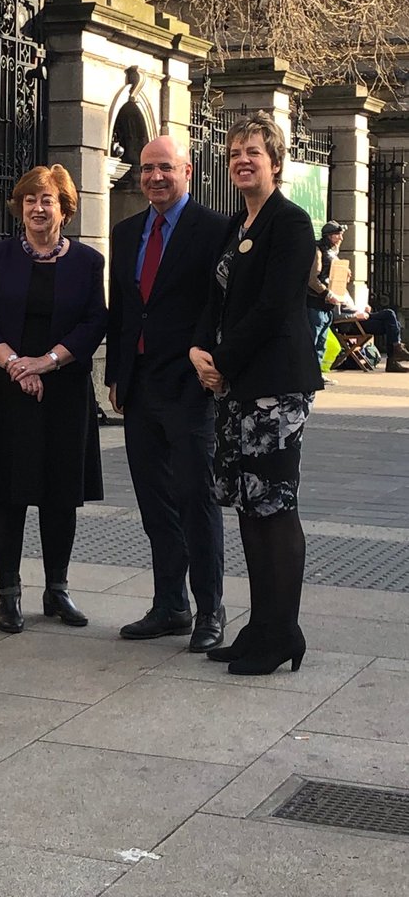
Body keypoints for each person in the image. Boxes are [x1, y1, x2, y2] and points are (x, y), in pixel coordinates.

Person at [190, 111, 322, 676]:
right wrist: (200, 351)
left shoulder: (290, 224)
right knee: (247, 503)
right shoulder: (237, 225)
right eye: (236, 150)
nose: (243, 159)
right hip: (236, 387)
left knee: (275, 506)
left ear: (275, 162)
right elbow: (214, 301)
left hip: (274, 389)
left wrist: (222, 361)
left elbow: (272, 309)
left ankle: (282, 632)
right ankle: (260, 624)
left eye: (255, 152)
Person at [0, 165, 106, 633]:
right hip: (4, 389)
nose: (38, 208)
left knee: (61, 495)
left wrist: (46, 363)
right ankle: (8, 592)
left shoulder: (87, 262)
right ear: (19, 208)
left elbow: (93, 324)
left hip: (63, 391)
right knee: (8, 493)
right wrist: (19, 364)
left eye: (48, 200)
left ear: (66, 209)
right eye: (30, 201)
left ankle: (57, 589)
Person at [105, 136, 229, 652]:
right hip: (138, 385)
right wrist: (115, 372)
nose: (155, 177)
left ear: (188, 171)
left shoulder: (216, 229)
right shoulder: (126, 230)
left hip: (189, 385)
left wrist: (211, 363)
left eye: (165, 168)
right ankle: (169, 604)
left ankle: (209, 610)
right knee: (154, 501)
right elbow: (124, 308)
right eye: (147, 168)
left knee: (196, 499)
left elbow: (220, 305)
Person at [306, 221, 344, 375]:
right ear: (329, 236)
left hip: (326, 305)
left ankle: (317, 373)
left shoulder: (332, 252)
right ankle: (309, 374)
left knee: (321, 342)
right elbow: (313, 279)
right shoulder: (319, 251)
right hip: (316, 302)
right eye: (337, 235)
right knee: (313, 341)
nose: (341, 238)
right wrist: (326, 293)